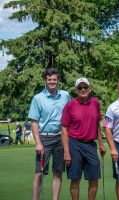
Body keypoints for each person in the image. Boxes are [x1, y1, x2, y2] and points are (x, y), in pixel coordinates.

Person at [28, 68, 71, 200]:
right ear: (45, 81)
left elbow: (71, 116)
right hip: (44, 139)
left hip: (60, 138)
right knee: (39, 173)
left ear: (58, 80)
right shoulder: (38, 98)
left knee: (58, 172)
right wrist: (38, 143)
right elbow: (34, 122)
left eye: (54, 79)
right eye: (49, 79)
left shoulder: (66, 95)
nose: (52, 82)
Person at [61, 77, 106, 200]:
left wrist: (101, 144)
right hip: (74, 144)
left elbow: (97, 124)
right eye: (80, 87)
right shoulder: (69, 105)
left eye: (85, 87)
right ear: (76, 90)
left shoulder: (95, 103)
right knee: (75, 179)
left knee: (94, 178)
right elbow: (64, 129)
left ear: (90, 89)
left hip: (91, 145)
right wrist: (66, 152)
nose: (83, 89)